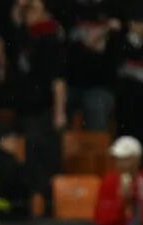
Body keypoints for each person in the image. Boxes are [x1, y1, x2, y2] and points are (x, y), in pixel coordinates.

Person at [4, 0, 67, 209]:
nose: (29, 14)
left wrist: (59, 112)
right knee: (26, 155)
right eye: (27, 11)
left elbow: (58, 80)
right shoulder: (22, 35)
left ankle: (47, 201)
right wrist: (21, 7)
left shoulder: (51, 36)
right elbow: (13, 26)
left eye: (33, 10)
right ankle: (31, 200)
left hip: (44, 107)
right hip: (23, 106)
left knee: (43, 154)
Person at [63, 0, 118, 131]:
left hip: (101, 86)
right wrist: (93, 40)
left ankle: (98, 144)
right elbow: (66, 55)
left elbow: (117, 59)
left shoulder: (113, 9)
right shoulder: (68, 9)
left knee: (96, 103)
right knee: (56, 101)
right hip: (72, 84)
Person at [94, 136, 143, 225]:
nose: (121, 163)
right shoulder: (109, 182)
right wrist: (121, 202)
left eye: (126, 159)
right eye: (118, 159)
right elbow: (101, 219)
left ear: (137, 159)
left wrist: (135, 196)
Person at [110, 8, 143, 142]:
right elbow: (116, 67)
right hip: (125, 92)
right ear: (132, 24)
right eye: (139, 23)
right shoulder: (119, 40)